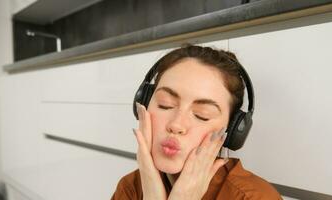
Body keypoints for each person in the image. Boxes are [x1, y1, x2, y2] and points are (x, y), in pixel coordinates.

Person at [112, 44, 282, 200]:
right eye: (165, 104)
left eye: (202, 115)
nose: (176, 125)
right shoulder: (131, 189)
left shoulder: (254, 198)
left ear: (231, 130)